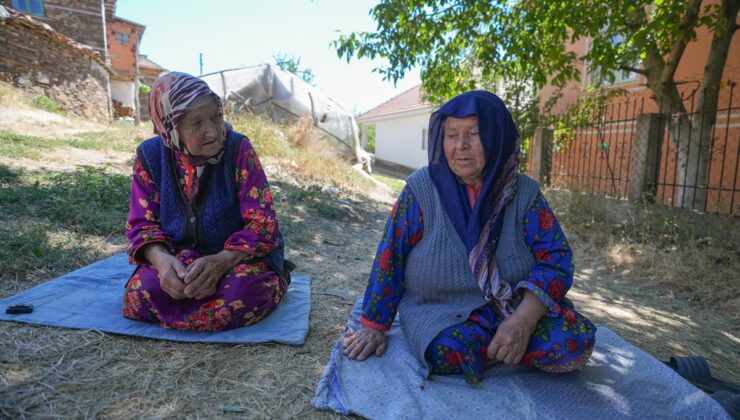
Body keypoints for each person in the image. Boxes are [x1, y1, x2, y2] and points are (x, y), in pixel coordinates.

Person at [342, 91, 596, 384]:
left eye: (474, 134)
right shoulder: (421, 190)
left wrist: (523, 321)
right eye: (451, 135)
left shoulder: (524, 195)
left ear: (497, 137)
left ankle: (503, 345)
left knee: (574, 342)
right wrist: (374, 324)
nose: (460, 146)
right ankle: (502, 351)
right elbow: (391, 257)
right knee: (444, 351)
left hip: (512, 307)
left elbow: (557, 261)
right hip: (444, 311)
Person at [122, 72, 290, 332]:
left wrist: (221, 261)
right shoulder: (151, 156)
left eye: (216, 116)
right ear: (171, 127)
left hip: (237, 259)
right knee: (140, 295)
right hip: (180, 260)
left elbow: (263, 224)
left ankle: (180, 314)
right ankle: (191, 306)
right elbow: (142, 224)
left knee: (242, 294)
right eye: (196, 123)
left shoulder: (238, 149)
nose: (212, 131)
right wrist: (163, 263)